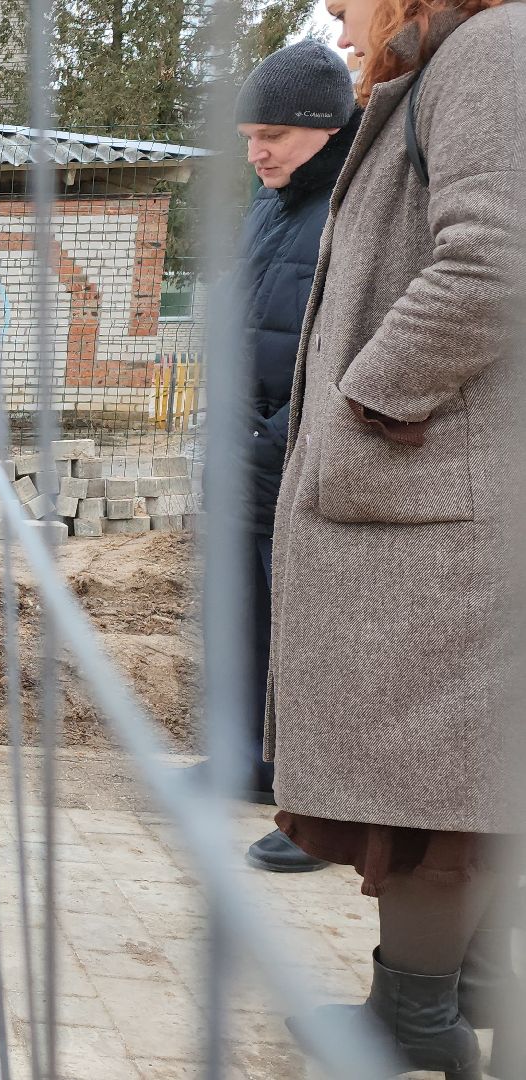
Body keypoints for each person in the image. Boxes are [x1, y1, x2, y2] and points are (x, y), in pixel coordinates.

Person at [267, 0, 525, 1075]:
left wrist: (368, 400)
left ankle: (417, 1019)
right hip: (431, 498)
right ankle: (451, 996)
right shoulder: (452, 59)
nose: (332, 7)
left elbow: (496, 259)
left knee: (441, 789)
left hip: (440, 506)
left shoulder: (496, 50)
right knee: (442, 784)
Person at [226, 40, 362, 875]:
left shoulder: (348, 205)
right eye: (248, 135)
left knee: (314, 640)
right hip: (248, 450)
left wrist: (275, 438)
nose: (257, 151)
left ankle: (321, 814)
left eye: (273, 133)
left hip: (306, 458)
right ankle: (253, 764)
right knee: (248, 623)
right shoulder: (269, 203)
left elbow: (340, 352)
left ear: (325, 127)